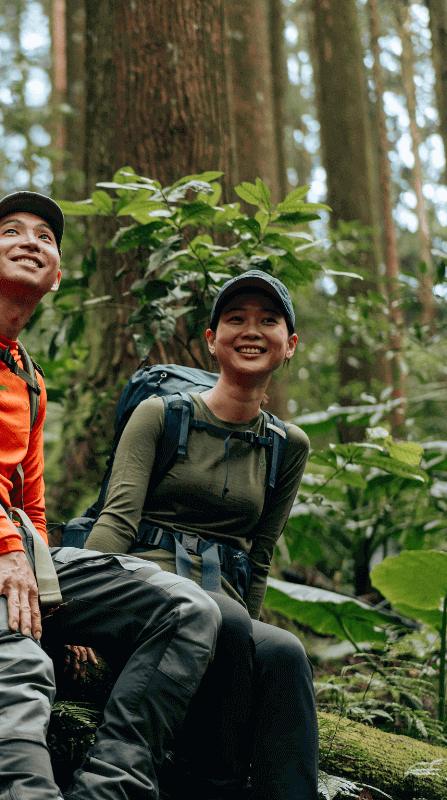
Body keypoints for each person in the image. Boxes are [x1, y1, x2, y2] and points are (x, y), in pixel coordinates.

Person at [0, 190, 222, 800]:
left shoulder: (29, 379)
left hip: (5, 544)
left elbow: (30, 504)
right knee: (19, 663)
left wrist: (57, 596)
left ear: (55, 278)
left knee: (189, 610)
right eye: (11, 230)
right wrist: (2, 545)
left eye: (46, 238)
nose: (32, 240)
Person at [84, 269, 317, 800]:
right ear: (212, 341)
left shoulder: (287, 445)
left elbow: (259, 556)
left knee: (283, 652)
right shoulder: (159, 415)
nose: (251, 331)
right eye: (235, 319)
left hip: (226, 609)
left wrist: (251, 639)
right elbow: (117, 519)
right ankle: (215, 787)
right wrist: (86, 617)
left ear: (290, 345)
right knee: (225, 619)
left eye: (268, 321)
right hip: (145, 592)